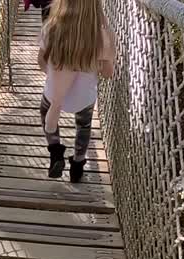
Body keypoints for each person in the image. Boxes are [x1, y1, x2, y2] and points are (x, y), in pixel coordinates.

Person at [37, 0, 115, 183]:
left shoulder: (51, 28)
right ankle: (78, 165)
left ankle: (56, 152)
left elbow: (41, 62)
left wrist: (56, 72)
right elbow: (108, 73)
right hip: (84, 98)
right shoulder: (102, 37)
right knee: (84, 126)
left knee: (45, 112)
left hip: (54, 94)